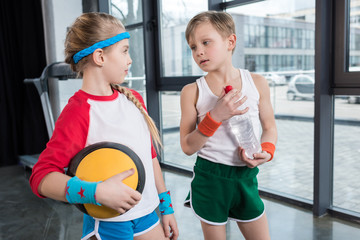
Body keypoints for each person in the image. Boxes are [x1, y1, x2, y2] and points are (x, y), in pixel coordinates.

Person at [29, 12, 178, 240]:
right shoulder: (78, 112)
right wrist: (97, 192)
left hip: (148, 215)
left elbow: (149, 157)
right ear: (100, 56)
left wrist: (165, 206)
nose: (130, 60)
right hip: (108, 225)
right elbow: (41, 177)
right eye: (125, 50)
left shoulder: (133, 99)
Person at [180, 11, 277, 240]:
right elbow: (186, 146)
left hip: (246, 176)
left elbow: (270, 126)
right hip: (210, 177)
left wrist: (267, 151)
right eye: (193, 47)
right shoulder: (191, 92)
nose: (199, 51)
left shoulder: (257, 83)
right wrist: (215, 116)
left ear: (230, 42)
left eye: (206, 42)